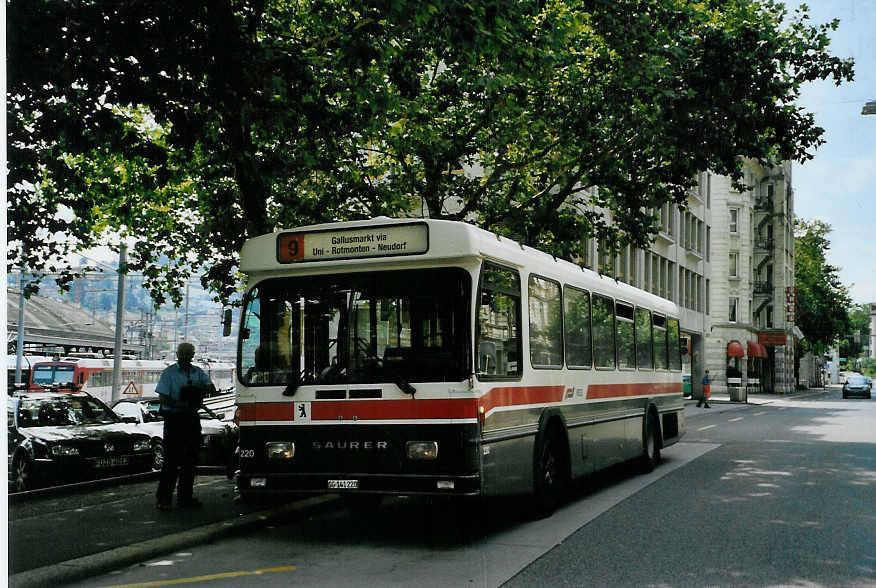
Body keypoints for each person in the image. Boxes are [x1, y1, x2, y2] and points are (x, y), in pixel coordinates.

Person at [155, 342, 215, 510]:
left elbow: (211, 387)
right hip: (174, 419)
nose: (185, 356)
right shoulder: (169, 374)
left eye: (188, 353)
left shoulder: (197, 372)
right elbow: (163, 398)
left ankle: (185, 498)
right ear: (177, 354)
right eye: (182, 353)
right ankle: (164, 499)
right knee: (171, 461)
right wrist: (179, 403)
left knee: (190, 461)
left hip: (191, 418)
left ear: (192, 355)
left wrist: (196, 389)